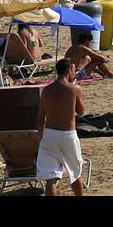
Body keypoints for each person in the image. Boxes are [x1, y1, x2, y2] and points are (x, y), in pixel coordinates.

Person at [37, 59, 86, 196]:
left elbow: (40, 118)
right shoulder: (74, 89)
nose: (74, 73)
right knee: (75, 174)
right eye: (74, 70)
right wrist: (77, 92)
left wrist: (41, 137)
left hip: (50, 135)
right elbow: (81, 111)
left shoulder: (46, 90)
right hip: (67, 135)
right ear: (69, 70)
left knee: (50, 178)